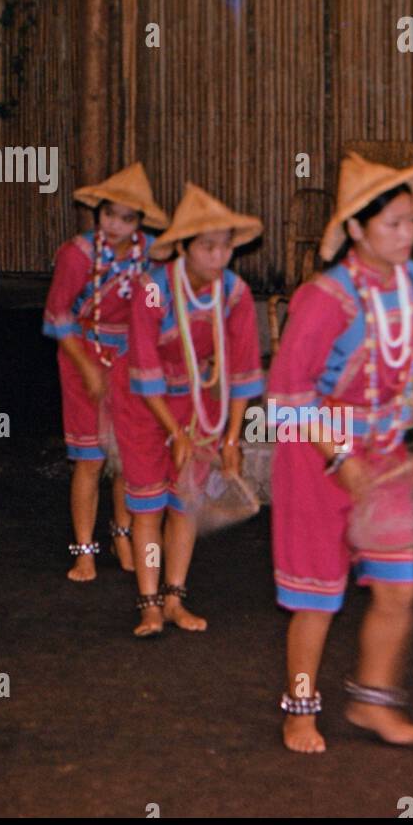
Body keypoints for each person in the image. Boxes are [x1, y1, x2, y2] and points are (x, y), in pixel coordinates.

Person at [269, 153, 413, 753]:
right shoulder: (326, 298)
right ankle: (300, 711)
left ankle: (372, 703)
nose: (408, 235)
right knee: (317, 595)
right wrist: (338, 457)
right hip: (315, 452)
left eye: (410, 223)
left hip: (385, 454)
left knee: (400, 588)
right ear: (356, 229)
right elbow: (284, 397)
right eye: (393, 225)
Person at [118, 184, 264, 637]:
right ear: (182, 247)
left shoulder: (235, 293)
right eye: (207, 247)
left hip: (201, 402)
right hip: (145, 403)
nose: (218, 257)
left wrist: (232, 437)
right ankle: (148, 603)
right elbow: (144, 364)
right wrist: (174, 432)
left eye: (225, 247)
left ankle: (175, 597)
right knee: (148, 507)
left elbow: (242, 368)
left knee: (185, 504)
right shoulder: (154, 291)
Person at [43, 163, 167, 580]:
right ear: (97, 213)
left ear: (139, 223)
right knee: (92, 458)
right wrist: (87, 368)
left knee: (128, 456)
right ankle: (84, 550)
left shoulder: (152, 253)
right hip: (82, 353)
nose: (115, 225)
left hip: (130, 357)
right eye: (108, 214)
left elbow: (161, 306)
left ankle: (123, 535)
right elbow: (57, 317)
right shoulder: (76, 254)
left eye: (127, 218)